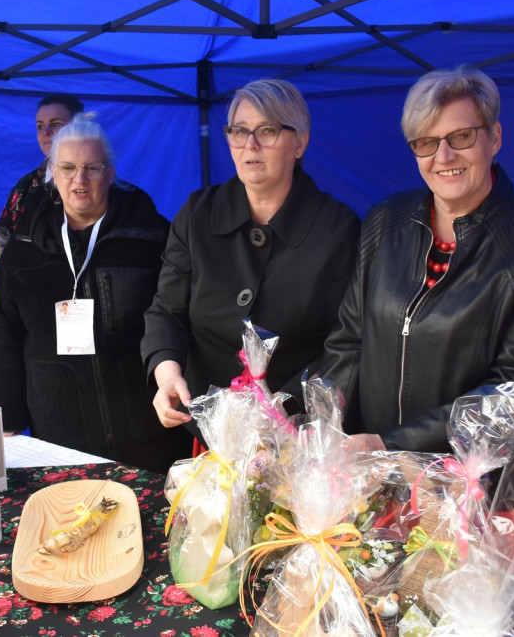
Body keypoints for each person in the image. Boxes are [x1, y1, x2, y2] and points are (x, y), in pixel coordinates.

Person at [317, 65, 514, 454]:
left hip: (476, 485)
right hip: (372, 470)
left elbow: (510, 392)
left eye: (461, 136)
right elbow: (348, 343)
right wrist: (319, 424)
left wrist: (389, 444)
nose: (443, 155)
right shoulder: (385, 220)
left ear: (495, 137)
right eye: (426, 142)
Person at [142, 78, 361, 433]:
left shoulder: (337, 228)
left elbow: (344, 342)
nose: (250, 145)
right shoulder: (198, 214)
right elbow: (166, 310)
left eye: (268, 131)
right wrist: (166, 373)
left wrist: (279, 412)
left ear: (300, 142)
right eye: (239, 132)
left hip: (294, 430)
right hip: (210, 426)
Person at [0, 113, 190, 473]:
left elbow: (178, 318)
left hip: (148, 432)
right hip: (61, 438)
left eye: (92, 168)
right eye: (67, 168)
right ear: (52, 173)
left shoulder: (151, 237)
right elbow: (3, 338)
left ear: (110, 173)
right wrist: (8, 422)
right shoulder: (23, 249)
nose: (79, 179)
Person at [0, 93, 84, 271]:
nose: (46, 132)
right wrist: (24, 273)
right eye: (40, 126)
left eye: (56, 124)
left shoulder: (95, 181)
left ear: (80, 125)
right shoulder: (25, 186)